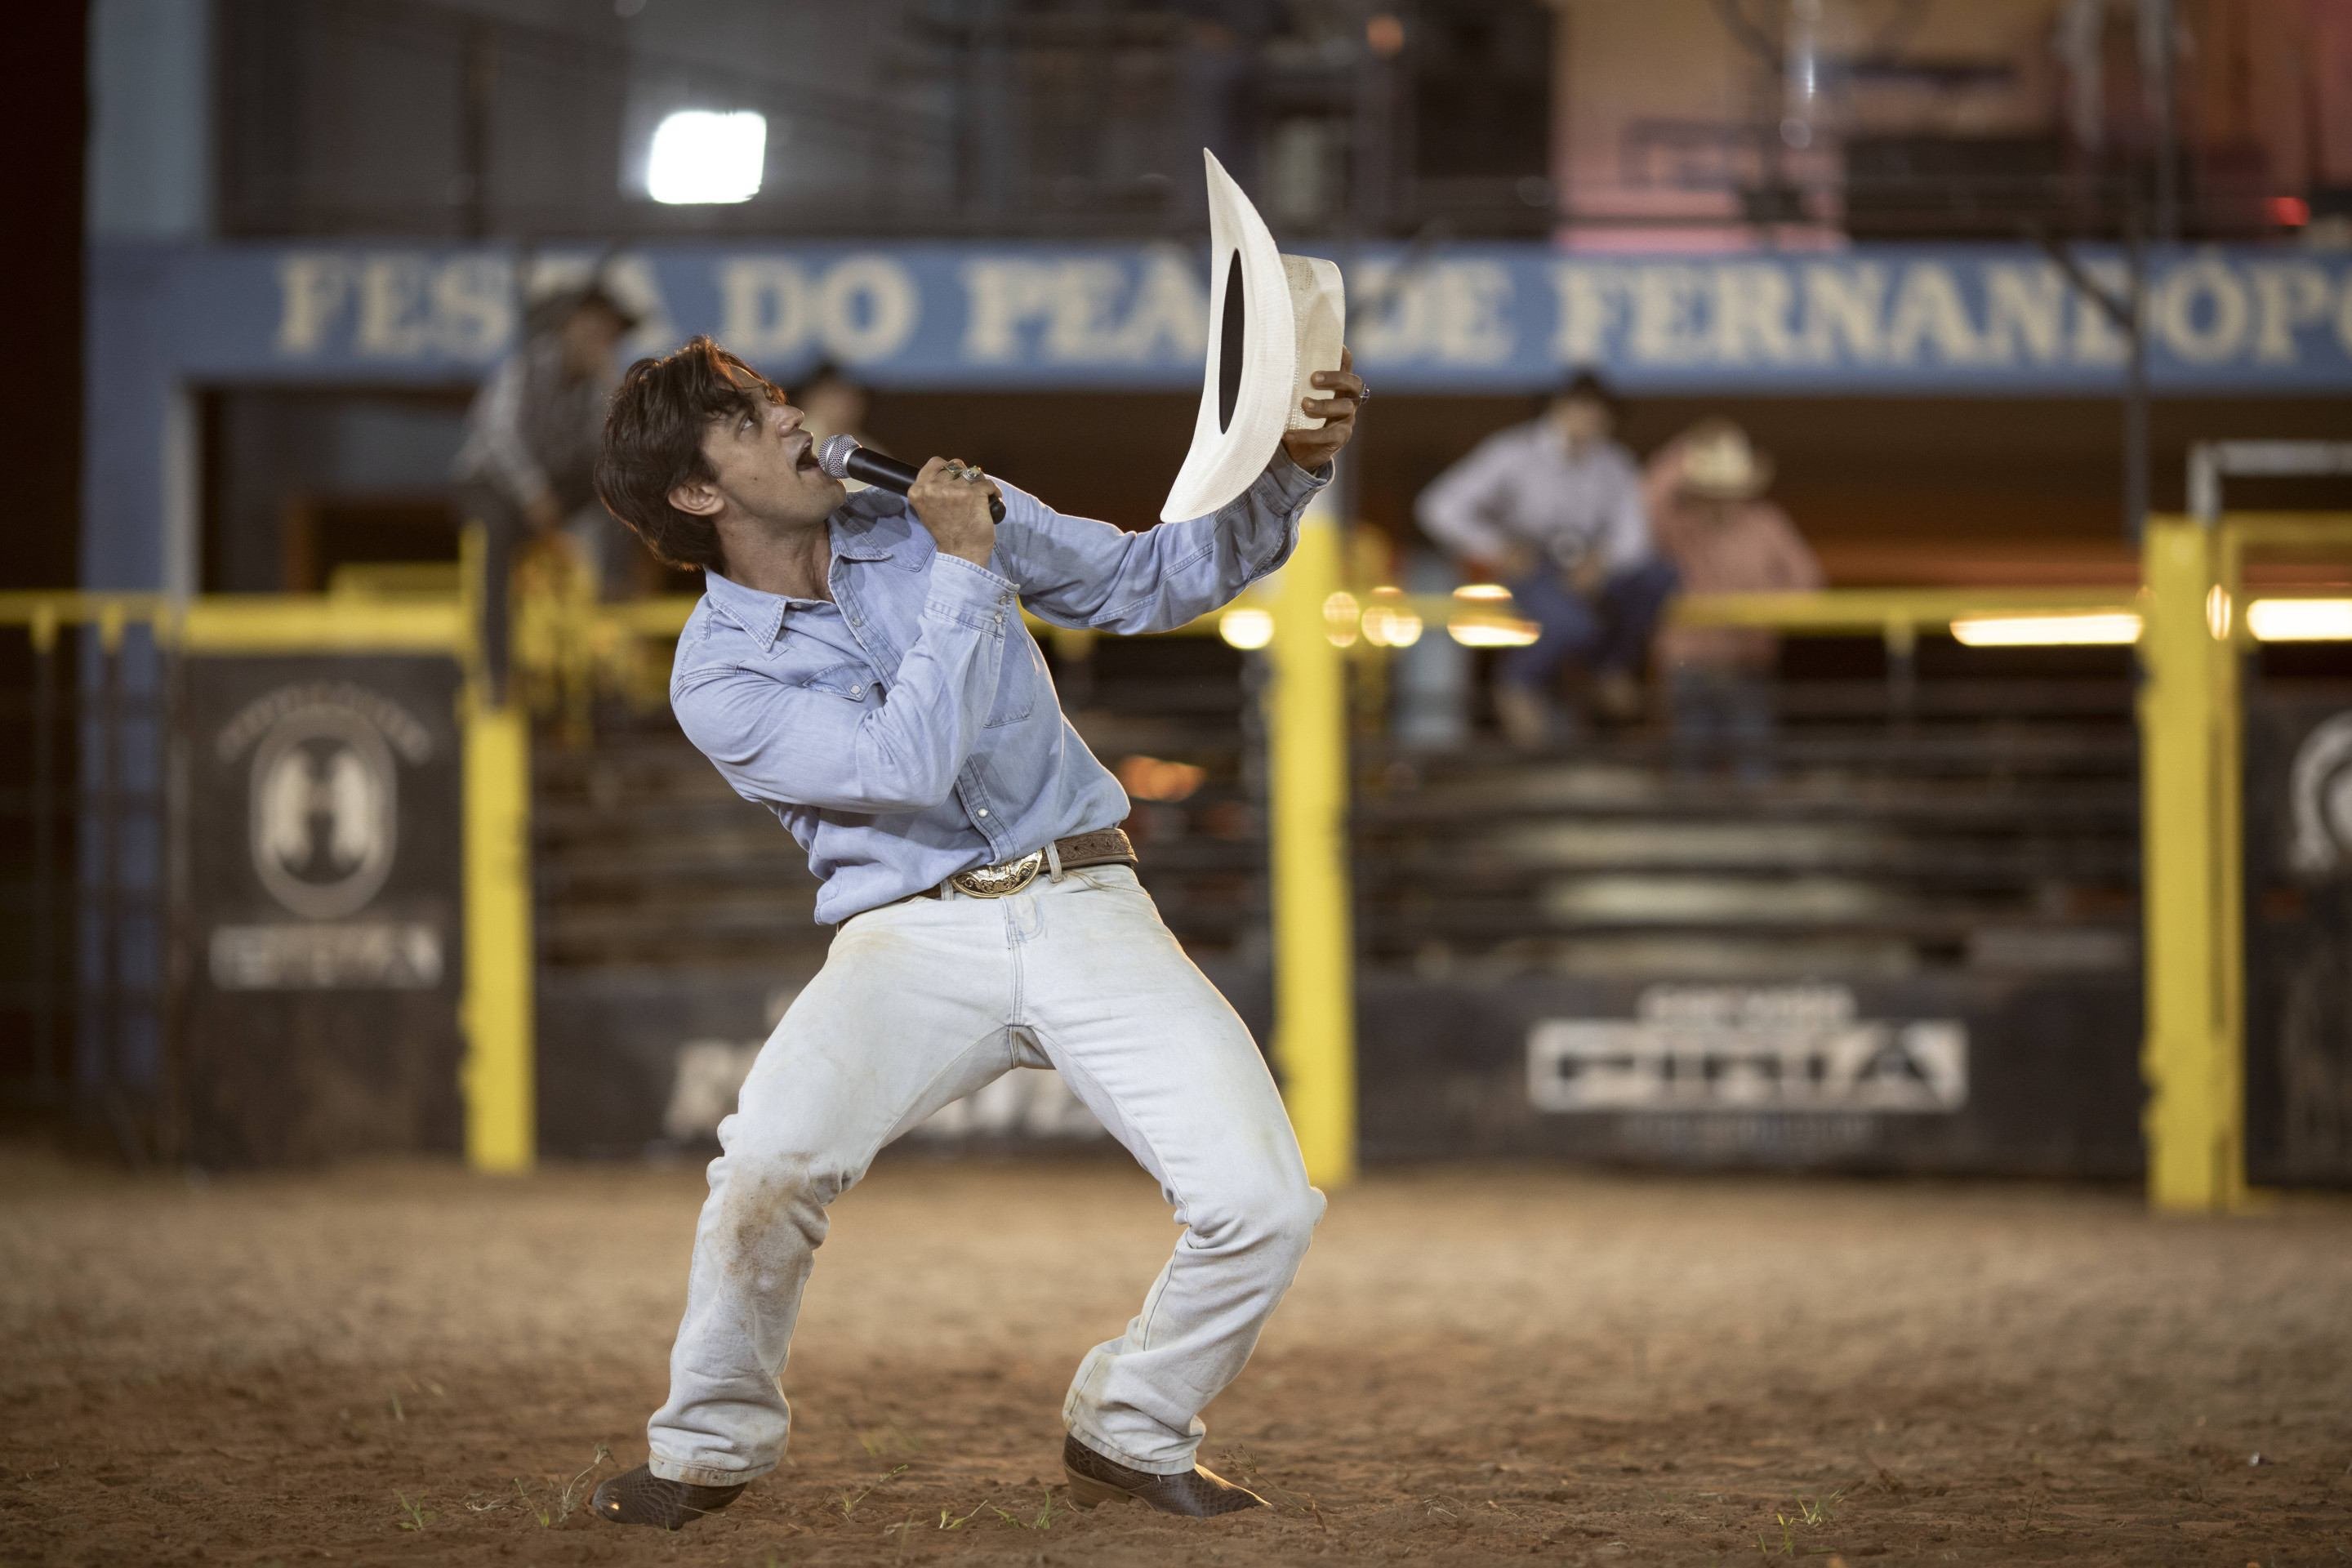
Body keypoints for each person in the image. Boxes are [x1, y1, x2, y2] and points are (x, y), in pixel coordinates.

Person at [583, 335, 1365, 1529]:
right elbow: (905, 769)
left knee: (1264, 1205)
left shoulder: (928, 517)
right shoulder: (716, 674)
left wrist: (1293, 466)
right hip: (905, 940)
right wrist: (963, 564)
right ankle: (707, 1448)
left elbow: (1153, 580)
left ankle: (1133, 1418)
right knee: (770, 1167)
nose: (791, 421)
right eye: (746, 421)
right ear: (697, 494)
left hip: (1086, 896)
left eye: (776, 399)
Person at [1414, 370, 1678, 749]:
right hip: (1533, 564)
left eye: (1600, 411)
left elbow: (1635, 537)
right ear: (1558, 408)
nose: (1591, 419)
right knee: (1571, 624)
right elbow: (1439, 507)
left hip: (1591, 565)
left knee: (1658, 576)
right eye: (1582, 407)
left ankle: (1609, 667)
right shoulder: (1513, 452)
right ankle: (1520, 683)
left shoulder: (1613, 463)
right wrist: (1495, 548)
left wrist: (1601, 563)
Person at [1645, 421, 1822, 783]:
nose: (1721, 495)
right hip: (1689, 665)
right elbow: (1646, 498)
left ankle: (1757, 837)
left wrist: (1764, 611)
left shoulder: (1767, 522)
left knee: (1754, 763)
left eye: (1727, 486)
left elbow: (1808, 580)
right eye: (1711, 486)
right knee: (1689, 764)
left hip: (1748, 665)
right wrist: (1688, 449)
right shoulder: (1680, 527)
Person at [452, 278, 637, 604]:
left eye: (609, 331)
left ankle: (612, 592)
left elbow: (616, 450)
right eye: (593, 325)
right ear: (569, 325)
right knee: (493, 536)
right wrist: (534, 494)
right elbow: (497, 436)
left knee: (620, 484)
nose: (602, 338)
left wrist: (614, 389)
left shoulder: (598, 382)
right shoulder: (526, 366)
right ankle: (496, 653)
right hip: (491, 484)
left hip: (554, 484)